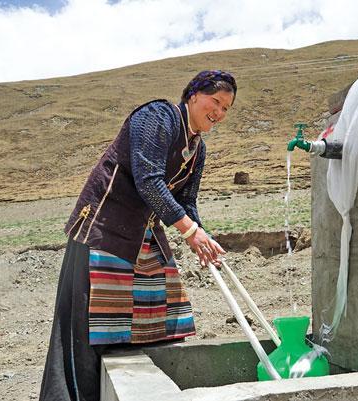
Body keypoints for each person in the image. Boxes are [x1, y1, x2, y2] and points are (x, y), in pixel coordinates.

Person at [39, 70, 237, 401]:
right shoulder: (158, 116)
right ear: (193, 96)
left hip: (142, 232)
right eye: (215, 102)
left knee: (161, 311)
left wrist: (204, 238)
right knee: (89, 330)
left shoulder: (197, 149)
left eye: (226, 109)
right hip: (102, 228)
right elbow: (149, 180)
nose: (219, 113)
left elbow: (186, 201)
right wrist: (190, 233)